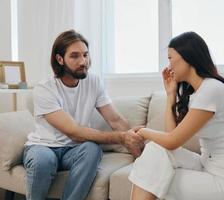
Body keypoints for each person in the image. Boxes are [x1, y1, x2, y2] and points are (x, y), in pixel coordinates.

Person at [129, 32, 224, 200]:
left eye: (170, 58)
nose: (168, 66)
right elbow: (170, 140)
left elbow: (172, 141)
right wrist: (170, 94)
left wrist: (143, 131)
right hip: (209, 164)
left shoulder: (211, 89)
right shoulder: (198, 93)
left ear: (187, 58)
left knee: (153, 176)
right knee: (155, 151)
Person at [23, 29, 144, 200]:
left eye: (85, 55)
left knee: (92, 149)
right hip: (43, 147)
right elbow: (74, 132)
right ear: (60, 59)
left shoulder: (93, 82)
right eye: (75, 56)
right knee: (43, 161)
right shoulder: (45, 89)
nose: (83, 61)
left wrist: (136, 143)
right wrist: (122, 138)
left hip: (74, 150)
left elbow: (115, 120)